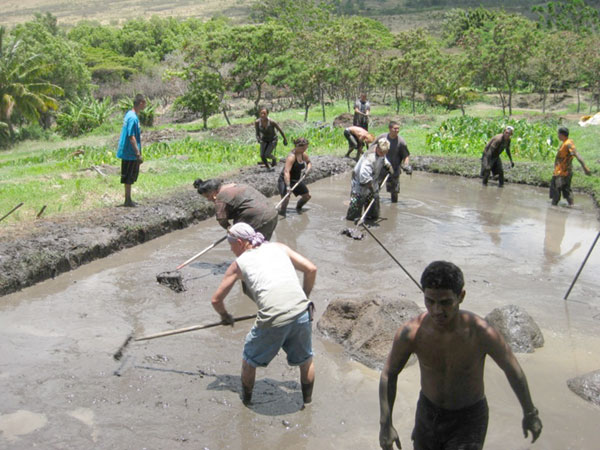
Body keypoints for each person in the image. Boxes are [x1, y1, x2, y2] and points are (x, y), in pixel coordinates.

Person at [379, 261, 543, 450]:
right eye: (430, 301)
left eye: (445, 302)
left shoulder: (481, 333)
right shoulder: (411, 333)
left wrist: (530, 413)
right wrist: (386, 424)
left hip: (469, 419)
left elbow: (513, 370)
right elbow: (388, 374)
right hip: (428, 413)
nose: (437, 311)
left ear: (461, 296)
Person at [210, 222, 317, 406]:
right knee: (305, 359)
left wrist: (225, 316)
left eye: (231, 245)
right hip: (302, 312)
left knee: (249, 360)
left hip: (274, 318)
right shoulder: (279, 247)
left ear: (240, 242)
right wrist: (304, 298)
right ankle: (307, 402)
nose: (231, 250)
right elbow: (311, 269)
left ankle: (247, 402)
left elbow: (216, 300)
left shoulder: (239, 264)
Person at [194, 178, 278, 240]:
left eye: (208, 196)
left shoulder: (221, 197)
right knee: (262, 245)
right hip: (272, 213)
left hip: (259, 218)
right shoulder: (236, 185)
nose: (209, 199)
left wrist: (230, 229)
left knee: (246, 245)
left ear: (212, 192)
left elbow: (221, 219)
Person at [346, 138, 392, 222]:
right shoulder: (369, 159)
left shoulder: (381, 150)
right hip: (360, 184)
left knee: (373, 210)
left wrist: (388, 165)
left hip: (373, 181)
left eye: (385, 153)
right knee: (355, 209)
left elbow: (383, 158)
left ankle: (371, 218)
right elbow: (364, 178)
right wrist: (373, 191)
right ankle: (352, 222)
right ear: (377, 148)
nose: (383, 155)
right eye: (381, 153)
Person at [550, 126, 592, 206]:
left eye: (558, 134)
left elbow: (577, 154)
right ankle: (571, 206)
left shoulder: (568, 143)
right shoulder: (565, 143)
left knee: (556, 190)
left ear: (562, 135)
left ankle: (553, 208)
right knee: (566, 190)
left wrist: (585, 167)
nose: (558, 136)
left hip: (562, 173)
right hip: (562, 172)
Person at [117, 94, 146, 207]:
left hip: (128, 151)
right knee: (128, 177)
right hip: (130, 152)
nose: (145, 106)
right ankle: (127, 200)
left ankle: (128, 199)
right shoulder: (133, 117)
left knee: (129, 176)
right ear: (141, 103)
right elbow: (131, 136)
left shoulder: (129, 114)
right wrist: (137, 153)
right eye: (144, 103)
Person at [377, 121, 412, 203]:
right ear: (390, 129)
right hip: (381, 168)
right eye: (395, 129)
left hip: (394, 169)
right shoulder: (382, 138)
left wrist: (406, 165)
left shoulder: (401, 142)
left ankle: (394, 206)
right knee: (375, 187)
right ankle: (373, 204)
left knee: (394, 192)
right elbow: (373, 147)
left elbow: (406, 156)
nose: (397, 130)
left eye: (398, 129)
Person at [277, 137, 313, 217]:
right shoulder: (291, 157)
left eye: (306, 147)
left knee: (306, 196)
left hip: (296, 180)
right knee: (286, 200)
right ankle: (282, 214)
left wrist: (308, 169)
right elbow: (286, 172)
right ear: (298, 147)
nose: (305, 149)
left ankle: (298, 208)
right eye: (304, 148)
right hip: (285, 180)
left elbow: (309, 162)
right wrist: (288, 186)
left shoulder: (303, 154)